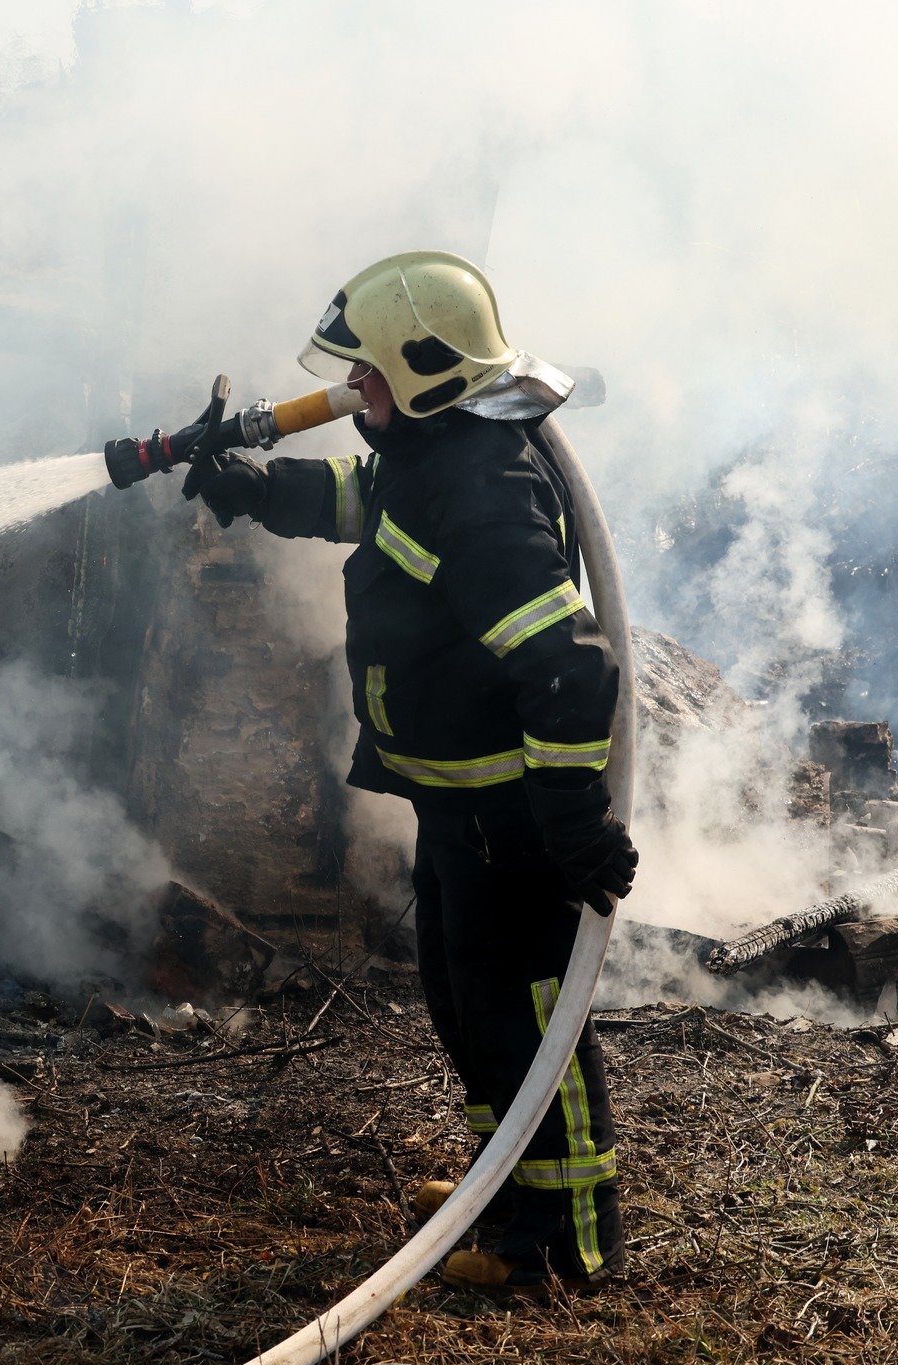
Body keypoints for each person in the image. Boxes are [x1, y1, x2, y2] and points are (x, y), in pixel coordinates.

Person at [187, 250, 638, 1290]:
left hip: (508, 815)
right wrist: (260, 490)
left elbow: (568, 666)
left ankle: (564, 1240)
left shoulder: (482, 494)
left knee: (524, 1014)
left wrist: (570, 812)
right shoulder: (431, 455)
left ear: (426, 370)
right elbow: (373, 504)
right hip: (456, 806)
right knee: (463, 998)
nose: (351, 387)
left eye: (367, 370)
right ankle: (500, 1191)